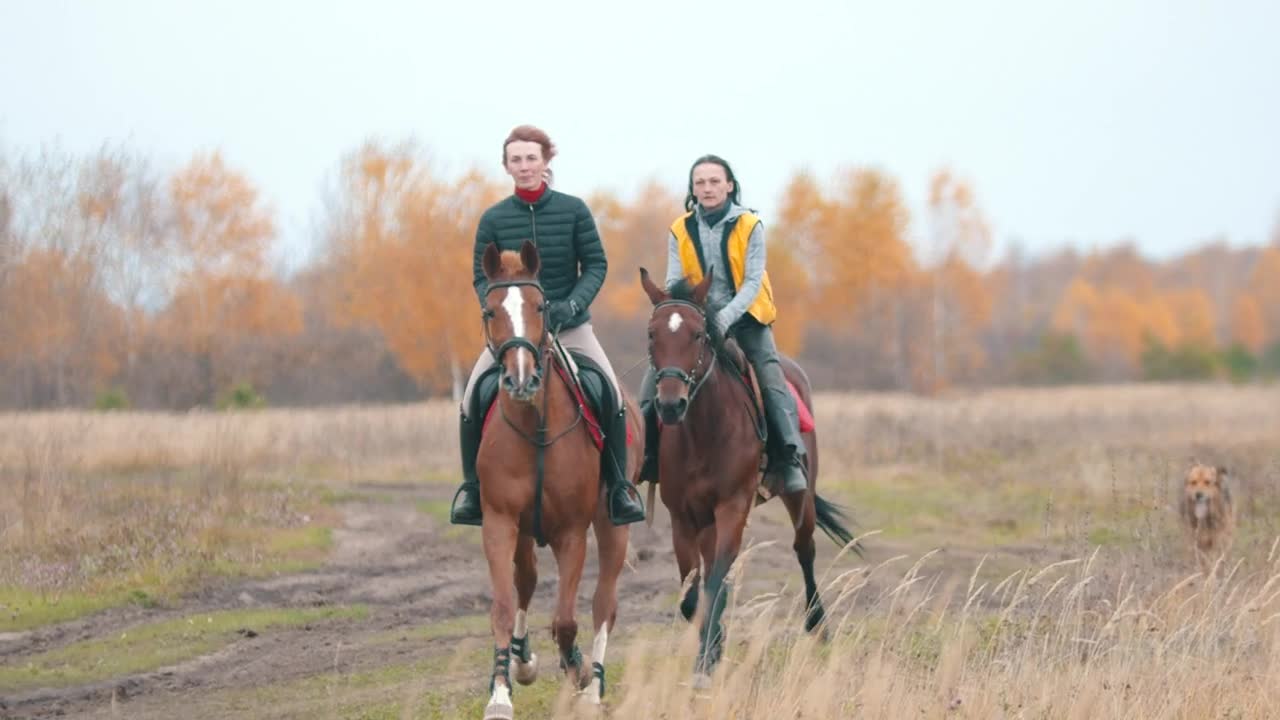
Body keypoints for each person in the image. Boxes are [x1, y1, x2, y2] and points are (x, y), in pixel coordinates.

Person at [449, 125, 646, 527]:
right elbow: (480, 277)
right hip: (515, 334)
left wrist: (571, 305)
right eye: (516, 160)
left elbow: (596, 265)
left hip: (570, 327)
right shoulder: (493, 218)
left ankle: (620, 487)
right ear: (506, 166)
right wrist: (503, 318)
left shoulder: (574, 210)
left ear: (546, 161)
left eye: (531, 158)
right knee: (471, 398)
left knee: (609, 390)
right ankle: (472, 490)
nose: (524, 167)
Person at [639, 154, 808, 496]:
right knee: (654, 380)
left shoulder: (750, 226)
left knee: (770, 377)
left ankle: (789, 457)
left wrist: (725, 317)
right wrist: (683, 311)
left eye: (715, 181)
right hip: (696, 318)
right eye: (700, 182)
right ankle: (647, 456)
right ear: (693, 189)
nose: (708, 188)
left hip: (747, 317)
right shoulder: (680, 228)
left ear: (729, 185)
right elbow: (676, 280)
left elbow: (752, 281)